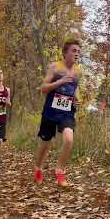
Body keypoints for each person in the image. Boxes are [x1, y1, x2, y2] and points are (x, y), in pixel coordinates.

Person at [33, 39, 82, 187]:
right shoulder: (55, 67)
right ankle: (38, 167)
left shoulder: (78, 71)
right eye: (74, 51)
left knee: (68, 139)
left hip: (66, 111)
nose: (77, 54)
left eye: (79, 51)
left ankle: (60, 170)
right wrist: (60, 82)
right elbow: (43, 88)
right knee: (45, 144)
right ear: (65, 53)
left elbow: (74, 89)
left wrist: (76, 99)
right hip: (51, 111)